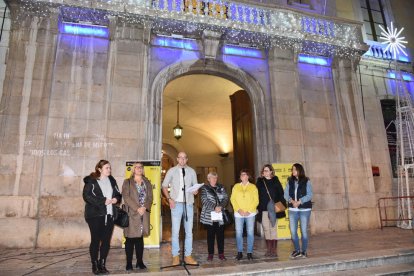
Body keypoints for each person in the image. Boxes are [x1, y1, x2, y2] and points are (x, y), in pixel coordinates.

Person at [82, 160, 122, 275]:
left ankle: (102, 264)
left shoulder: (112, 180)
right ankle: (94, 265)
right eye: (107, 168)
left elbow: (118, 194)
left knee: (106, 241)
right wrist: (102, 201)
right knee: (95, 240)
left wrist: (116, 199)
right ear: (99, 169)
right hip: (95, 215)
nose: (109, 170)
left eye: (110, 168)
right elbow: (86, 196)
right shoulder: (91, 181)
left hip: (109, 215)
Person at [161, 152, 199, 266]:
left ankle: (187, 256)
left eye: (184, 158)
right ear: (177, 159)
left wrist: (195, 191)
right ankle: (175, 256)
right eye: (180, 158)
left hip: (188, 204)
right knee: (175, 231)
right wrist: (169, 199)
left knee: (189, 232)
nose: (182, 160)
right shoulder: (171, 171)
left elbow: (195, 186)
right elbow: (164, 186)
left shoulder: (192, 171)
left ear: (187, 159)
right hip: (176, 204)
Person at [122, 162, 153, 271]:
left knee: (140, 239)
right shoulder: (127, 182)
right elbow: (126, 197)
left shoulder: (147, 182)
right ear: (133, 170)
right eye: (137, 167)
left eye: (141, 167)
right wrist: (137, 208)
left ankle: (140, 262)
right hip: (132, 214)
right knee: (130, 239)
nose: (139, 169)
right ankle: (129, 263)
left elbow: (150, 197)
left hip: (143, 214)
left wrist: (144, 207)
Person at [283, 163, 313, 259]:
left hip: (304, 209)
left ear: (299, 170)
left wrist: (300, 202)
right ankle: (297, 250)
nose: (293, 171)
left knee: (304, 231)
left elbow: (310, 195)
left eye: (294, 169)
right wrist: (292, 201)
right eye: (292, 169)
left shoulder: (306, 181)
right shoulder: (290, 181)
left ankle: (303, 251)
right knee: (293, 231)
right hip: (292, 209)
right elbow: (285, 194)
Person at [256, 164, 286, 258]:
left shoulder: (275, 180)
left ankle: (274, 250)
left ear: (271, 171)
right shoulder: (260, 181)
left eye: (267, 170)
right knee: (266, 228)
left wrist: (281, 205)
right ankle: (269, 250)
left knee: (273, 228)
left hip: (274, 209)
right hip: (263, 209)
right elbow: (256, 195)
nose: (265, 172)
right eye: (264, 171)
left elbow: (281, 193)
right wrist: (257, 207)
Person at [199, 172, 229, 261]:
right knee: (210, 236)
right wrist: (214, 207)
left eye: (215, 178)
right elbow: (204, 200)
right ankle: (210, 254)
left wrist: (221, 206)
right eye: (212, 178)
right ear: (208, 179)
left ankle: (221, 254)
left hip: (220, 215)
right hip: (209, 215)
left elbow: (225, 198)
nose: (214, 179)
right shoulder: (204, 188)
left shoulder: (221, 187)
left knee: (220, 235)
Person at [230, 169, 259, 261]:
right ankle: (240, 252)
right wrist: (239, 210)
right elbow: (232, 199)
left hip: (250, 213)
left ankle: (249, 253)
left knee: (250, 233)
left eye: (245, 174)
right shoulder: (236, 186)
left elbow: (256, 200)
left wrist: (249, 211)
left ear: (248, 176)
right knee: (239, 233)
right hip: (238, 214)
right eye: (241, 175)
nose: (243, 176)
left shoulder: (253, 187)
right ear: (240, 177)